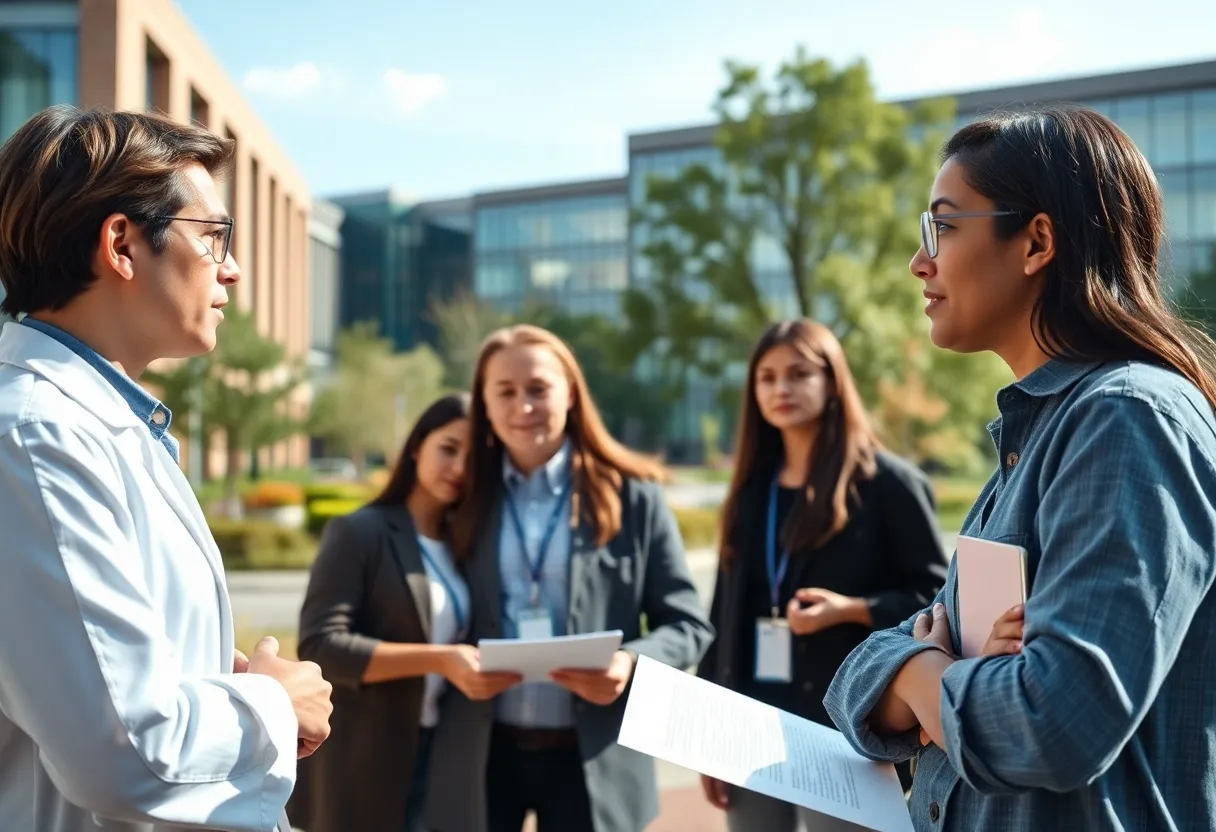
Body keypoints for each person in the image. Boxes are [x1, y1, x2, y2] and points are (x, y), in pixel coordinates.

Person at [824, 106, 1216, 831]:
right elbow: (853, 687)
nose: (920, 261)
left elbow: (1053, 725)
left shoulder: (1128, 420)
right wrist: (935, 669)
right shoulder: (1035, 435)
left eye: (942, 226)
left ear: (1036, 241)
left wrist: (924, 672)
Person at [0, 105, 332, 832]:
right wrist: (274, 703)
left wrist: (222, 693)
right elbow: (127, 754)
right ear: (121, 244)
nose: (233, 269)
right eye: (213, 238)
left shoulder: (96, 427)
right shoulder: (36, 437)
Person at [422, 324, 714, 832]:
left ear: (571, 393)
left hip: (594, 754)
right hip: (483, 753)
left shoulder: (634, 498)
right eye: (505, 392)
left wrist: (630, 664)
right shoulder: (465, 497)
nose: (523, 406)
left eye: (538, 389)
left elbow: (687, 624)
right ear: (484, 403)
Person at [696, 319, 948, 831]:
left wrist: (852, 610)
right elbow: (723, 617)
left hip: (847, 727)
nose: (780, 389)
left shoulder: (889, 484)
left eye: (798, 373)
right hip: (752, 727)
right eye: (766, 378)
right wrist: (707, 732)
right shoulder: (751, 492)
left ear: (832, 380)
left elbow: (938, 599)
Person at [287, 393, 521, 832]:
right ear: (416, 447)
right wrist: (440, 659)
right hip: (364, 757)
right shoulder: (360, 531)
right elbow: (321, 643)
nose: (458, 468)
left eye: (473, 460)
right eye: (448, 449)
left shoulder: (464, 545)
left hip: (441, 753)